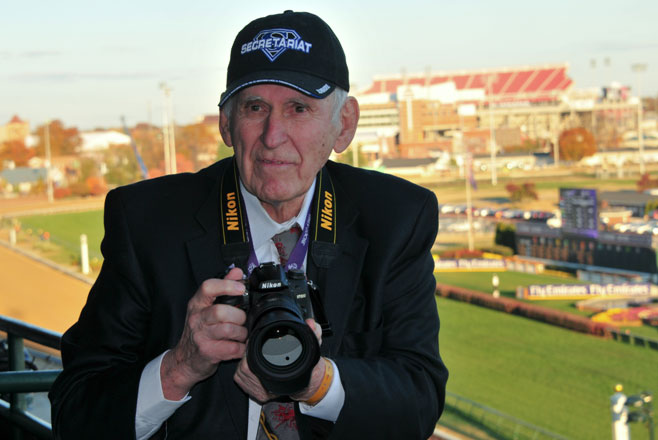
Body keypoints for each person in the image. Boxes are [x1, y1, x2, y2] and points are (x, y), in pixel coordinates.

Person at [49, 10, 448, 439]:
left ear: (344, 125)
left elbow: (419, 399)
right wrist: (179, 366)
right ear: (226, 122)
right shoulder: (147, 223)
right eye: (255, 107)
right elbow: (75, 413)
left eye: (299, 108)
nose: (273, 135)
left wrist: (318, 384)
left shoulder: (395, 219)